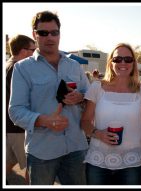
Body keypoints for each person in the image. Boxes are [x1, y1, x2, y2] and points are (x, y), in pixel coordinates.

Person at [8, 11, 89, 185]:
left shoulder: (74, 65)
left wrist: (80, 97)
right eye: (43, 33)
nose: (49, 37)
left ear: (60, 33)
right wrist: (44, 120)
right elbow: (15, 111)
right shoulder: (22, 68)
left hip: (76, 147)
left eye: (54, 32)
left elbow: (90, 97)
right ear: (34, 34)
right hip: (42, 151)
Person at [81, 43, 141, 185]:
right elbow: (85, 122)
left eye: (128, 59)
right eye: (118, 59)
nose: (123, 63)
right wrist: (98, 134)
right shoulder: (97, 87)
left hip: (132, 164)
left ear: (133, 63)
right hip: (98, 163)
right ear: (110, 62)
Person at [6, 34, 36, 184]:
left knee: (9, 161)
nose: (34, 54)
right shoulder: (17, 69)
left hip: (10, 127)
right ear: (24, 51)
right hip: (18, 127)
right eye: (33, 50)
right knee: (33, 167)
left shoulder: (7, 66)